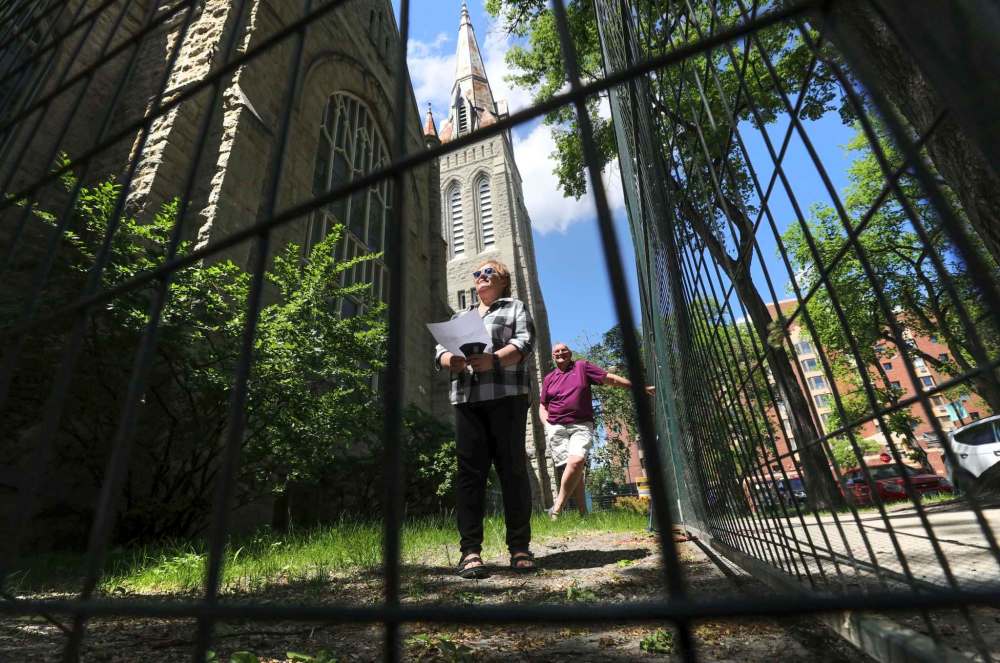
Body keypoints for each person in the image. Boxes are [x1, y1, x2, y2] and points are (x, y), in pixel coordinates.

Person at [434, 260, 537, 579]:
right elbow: (440, 350)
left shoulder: (515, 307)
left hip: (507, 396)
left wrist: (494, 360)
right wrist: (449, 359)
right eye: (477, 273)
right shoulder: (460, 317)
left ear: (504, 280)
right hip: (468, 400)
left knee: (513, 471)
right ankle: (470, 552)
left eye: (489, 272)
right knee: (470, 475)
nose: (481, 276)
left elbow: (525, 342)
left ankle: (519, 547)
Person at [539, 343, 654, 518]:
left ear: (570, 353)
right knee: (574, 469)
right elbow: (543, 405)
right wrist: (547, 424)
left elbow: (610, 379)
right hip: (556, 427)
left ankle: (556, 509)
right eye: (557, 351)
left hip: (581, 425)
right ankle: (583, 514)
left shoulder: (582, 367)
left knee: (576, 462)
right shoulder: (549, 378)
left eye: (564, 350)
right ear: (553, 356)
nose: (560, 353)